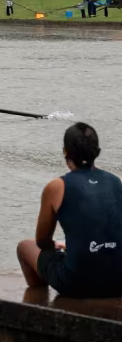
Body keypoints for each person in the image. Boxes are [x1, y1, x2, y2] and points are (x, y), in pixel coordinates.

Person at [17, 123, 122, 298]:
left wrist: (58, 246)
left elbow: (42, 242)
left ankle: (38, 307)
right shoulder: (115, 182)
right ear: (98, 151)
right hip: (118, 283)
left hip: (77, 284)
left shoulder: (57, 186)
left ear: (65, 152)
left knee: (24, 247)